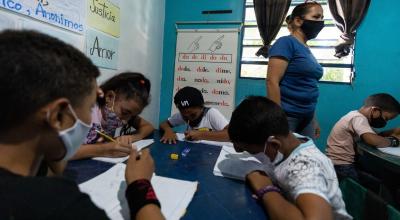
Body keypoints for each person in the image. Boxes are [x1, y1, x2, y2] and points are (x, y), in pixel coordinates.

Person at [0, 30, 164, 220]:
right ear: (58, 117)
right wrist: (140, 183)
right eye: (89, 106)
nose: (90, 117)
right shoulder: (59, 204)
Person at [228, 96, 351, 220]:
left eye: (251, 151)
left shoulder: (304, 166)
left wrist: (265, 189)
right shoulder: (289, 139)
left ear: (274, 144)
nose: (246, 153)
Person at [266, 1, 325, 139]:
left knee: (304, 157)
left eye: (322, 18)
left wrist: (314, 120)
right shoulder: (286, 42)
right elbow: (271, 81)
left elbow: (308, 85)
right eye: (316, 17)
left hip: (307, 117)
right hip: (287, 116)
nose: (321, 22)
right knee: (283, 158)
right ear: (298, 20)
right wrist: (277, 118)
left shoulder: (306, 49)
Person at [72, 72, 154, 160]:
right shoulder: (84, 111)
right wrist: (103, 150)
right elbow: (58, 152)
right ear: (110, 97)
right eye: (125, 112)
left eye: (133, 115)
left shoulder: (125, 115)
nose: (126, 121)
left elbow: (148, 126)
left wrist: (133, 137)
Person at [326, 93, 400, 181]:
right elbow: (372, 140)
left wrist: (393, 131)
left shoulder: (356, 116)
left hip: (338, 163)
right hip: (341, 166)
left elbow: (376, 136)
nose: (385, 122)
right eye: (386, 118)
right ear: (374, 110)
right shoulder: (358, 118)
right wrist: (394, 141)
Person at [160, 86, 229, 144]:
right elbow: (164, 124)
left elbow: (230, 135)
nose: (189, 118)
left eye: (193, 115)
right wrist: (168, 131)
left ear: (201, 107)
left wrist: (200, 134)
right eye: (185, 116)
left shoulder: (211, 113)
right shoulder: (182, 115)